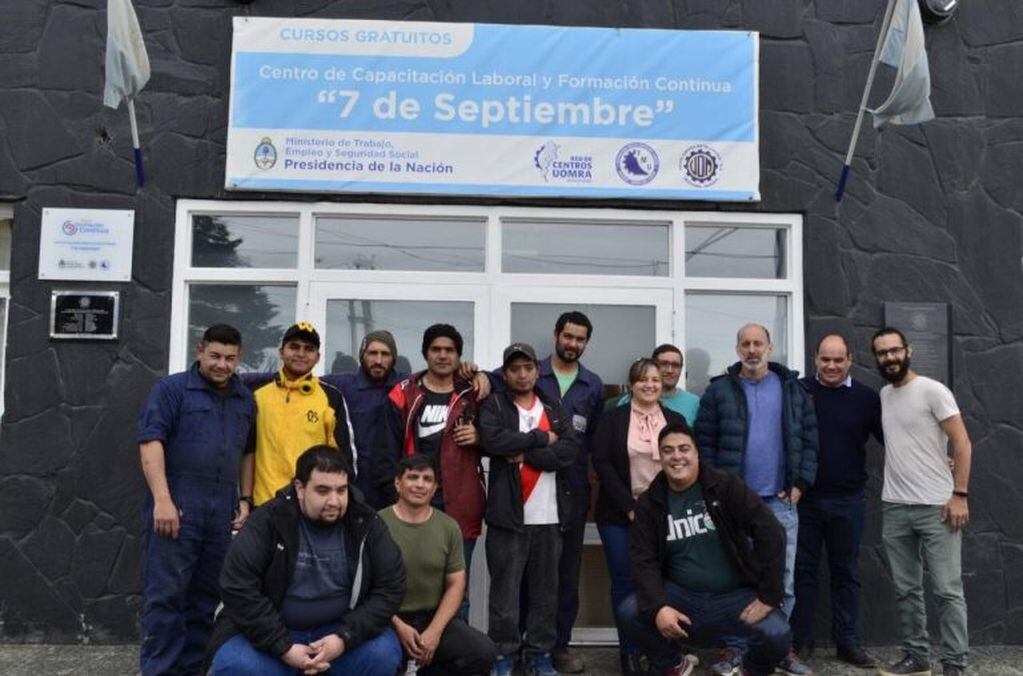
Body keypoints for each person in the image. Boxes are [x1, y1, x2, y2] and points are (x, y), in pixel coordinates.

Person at [208, 445, 405, 675]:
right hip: (271, 634)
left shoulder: (366, 522)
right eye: (322, 490)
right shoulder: (268, 520)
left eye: (341, 491)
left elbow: (392, 586)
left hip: (338, 634)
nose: (334, 501)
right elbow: (237, 587)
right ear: (300, 488)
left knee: (383, 653)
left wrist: (344, 638)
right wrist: (284, 647)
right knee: (236, 663)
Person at [618, 423, 791, 676]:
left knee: (777, 634)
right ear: (660, 457)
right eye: (668, 451)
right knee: (629, 611)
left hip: (734, 597)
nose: (676, 456)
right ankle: (673, 664)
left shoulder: (725, 486)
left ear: (697, 453)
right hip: (681, 596)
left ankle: (749, 670)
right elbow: (645, 561)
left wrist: (768, 596)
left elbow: (772, 533)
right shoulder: (650, 503)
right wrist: (658, 608)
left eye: (684, 449)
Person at [694, 323, 818, 676]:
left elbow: (810, 441)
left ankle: (777, 648)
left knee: (785, 580)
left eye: (758, 343)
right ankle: (734, 650)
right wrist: (718, 491)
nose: (752, 350)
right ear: (736, 349)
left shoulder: (793, 390)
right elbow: (705, 445)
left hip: (781, 502)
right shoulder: (719, 392)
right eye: (745, 344)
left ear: (770, 347)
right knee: (735, 579)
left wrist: (801, 484)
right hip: (734, 505)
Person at [136, 324, 256, 675]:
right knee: (166, 598)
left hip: (219, 514)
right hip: (177, 507)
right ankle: (159, 671)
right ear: (199, 351)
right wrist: (162, 499)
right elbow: (150, 442)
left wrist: (245, 499)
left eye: (230, 358)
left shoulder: (244, 399)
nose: (222, 365)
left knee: (205, 600)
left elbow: (248, 452)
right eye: (215, 356)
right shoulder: (171, 390)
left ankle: (191, 669)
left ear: (239, 358)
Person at [872, 327, 972, 676]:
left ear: (908, 351)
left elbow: (962, 443)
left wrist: (959, 494)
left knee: (947, 590)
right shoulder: (884, 394)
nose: (889, 358)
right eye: (882, 353)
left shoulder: (932, 390)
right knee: (906, 590)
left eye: (894, 350)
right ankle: (917, 657)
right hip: (895, 506)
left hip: (937, 506)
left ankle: (955, 664)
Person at [479, 343, 579, 676]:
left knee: (545, 595)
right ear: (505, 374)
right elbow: (492, 441)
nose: (522, 375)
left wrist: (525, 452)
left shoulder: (553, 405)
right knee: (504, 595)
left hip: (550, 517)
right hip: (509, 517)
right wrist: (540, 438)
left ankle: (539, 655)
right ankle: (503, 655)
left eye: (528, 367)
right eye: (514, 369)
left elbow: (568, 451)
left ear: (537, 371)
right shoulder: (494, 403)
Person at [376, 323, 486, 617]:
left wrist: (481, 436)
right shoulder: (403, 393)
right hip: (410, 503)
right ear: (425, 353)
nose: (442, 355)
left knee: (456, 590)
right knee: (405, 584)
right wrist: (394, 498)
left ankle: (453, 660)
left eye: (449, 350)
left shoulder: (473, 392)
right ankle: (407, 655)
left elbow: (501, 432)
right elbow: (386, 453)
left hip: (460, 503)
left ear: (459, 356)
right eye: (436, 349)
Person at [790, 334, 883, 668]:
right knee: (803, 572)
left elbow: (895, 441)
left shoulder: (867, 399)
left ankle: (847, 642)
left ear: (850, 360)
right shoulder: (798, 392)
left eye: (838, 360)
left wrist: (934, 459)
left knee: (846, 573)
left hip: (849, 501)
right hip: (806, 500)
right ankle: (800, 640)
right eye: (825, 359)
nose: (831, 366)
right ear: (815, 358)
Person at [593, 357, 688, 675]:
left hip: (665, 515)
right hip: (620, 514)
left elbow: (684, 463)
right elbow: (603, 464)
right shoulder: (613, 417)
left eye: (656, 380)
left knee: (666, 583)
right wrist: (630, 507)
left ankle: (663, 651)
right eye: (643, 380)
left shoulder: (674, 419)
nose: (650, 385)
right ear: (631, 384)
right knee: (625, 583)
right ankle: (630, 652)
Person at [531, 311, 605, 673]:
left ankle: (558, 646)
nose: (573, 344)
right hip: (531, 488)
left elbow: (593, 443)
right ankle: (523, 646)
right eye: (568, 336)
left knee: (566, 574)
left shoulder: (593, 385)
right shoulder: (530, 374)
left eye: (580, 339)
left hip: (573, 492)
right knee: (528, 573)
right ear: (556, 335)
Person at [380, 454, 497, 675]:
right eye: (412, 477)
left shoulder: (448, 527)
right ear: (398, 483)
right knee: (381, 659)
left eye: (427, 479)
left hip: (432, 618)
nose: (419, 485)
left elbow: (456, 584)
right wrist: (398, 626)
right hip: (388, 620)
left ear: (435, 488)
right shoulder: (377, 525)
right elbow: (367, 589)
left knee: (483, 652)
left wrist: (434, 632)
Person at [250, 322, 358, 506]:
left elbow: (345, 460)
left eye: (308, 349)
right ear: (281, 352)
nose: (301, 353)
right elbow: (245, 451)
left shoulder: (331, 398)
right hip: (262, 505)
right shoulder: (258, 396)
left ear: (317, 357)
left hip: (309, 507)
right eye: (294, 347)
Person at [618, 344, 701, 426]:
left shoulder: (694, 403)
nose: (670, 370)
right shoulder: (629, 400)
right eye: (664, 364)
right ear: (652, 366)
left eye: (676, 365)